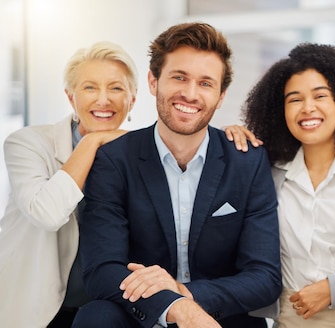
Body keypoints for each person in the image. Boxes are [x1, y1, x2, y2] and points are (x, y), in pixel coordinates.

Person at [71, 22, 281, 328]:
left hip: (216, 313)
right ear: (154, 82)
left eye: (206, 83)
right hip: (140, 313)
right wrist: (175, 308)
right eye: (179, 77)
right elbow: (102, 270)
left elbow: (264, 277)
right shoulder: (114, 159)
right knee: (95, 318)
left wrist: (187, 295)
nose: (190, 93)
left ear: (221, 96)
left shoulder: (247, 161)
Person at [225, 42, 335, 327]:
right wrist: (226, 140)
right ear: (279, 110)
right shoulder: (268, 176)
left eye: (320, 95)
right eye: (294, 99)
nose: (307, 108)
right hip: (288, 320)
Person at [0, 41, 137, 327]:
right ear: (70, 96)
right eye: (89, 88)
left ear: (132, 99)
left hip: (102, 312)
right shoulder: (27, 143)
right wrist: (92, 141)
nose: (103, 99)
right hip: (34, 310)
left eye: (116, 88)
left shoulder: (139, 153)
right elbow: (47, 214)